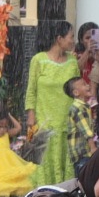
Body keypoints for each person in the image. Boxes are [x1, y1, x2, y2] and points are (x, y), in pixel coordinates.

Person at [23, 25, 78, 188]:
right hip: (43, 121)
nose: (73, 41)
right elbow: (31, 89)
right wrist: (31, 117)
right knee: (42, 163)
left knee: (63, 161)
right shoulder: (39, 60)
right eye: (71, 36)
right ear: (59, 39)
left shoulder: (73, 62)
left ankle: (62, 196)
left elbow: (77, 89)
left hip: (65, 121)